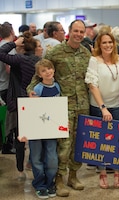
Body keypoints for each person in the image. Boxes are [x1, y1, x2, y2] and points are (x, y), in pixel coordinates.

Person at [27, 20, 91, 197]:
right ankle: (59, 180)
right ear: (69, 32)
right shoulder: (55, 52)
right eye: (75, 31)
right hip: (63, 106)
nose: (78, 34)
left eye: (81, 31)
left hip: (83, 106)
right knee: (64, 145)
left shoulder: (86, 54)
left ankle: (73, 176)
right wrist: (31, 91)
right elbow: (39, 73)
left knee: (79, 144)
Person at [85, 30, 119, 189]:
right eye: (104, 42)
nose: (107, 45)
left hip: (117, 106)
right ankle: (103, 173)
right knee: (101, 142)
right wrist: (103, 108)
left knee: (116, 142)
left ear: (114, 44)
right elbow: (92, 85)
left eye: (110, 42)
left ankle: (117, 172)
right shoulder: (94, 61)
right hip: (99, 107)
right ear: (99, 44)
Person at [0, 31, 43, 181]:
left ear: (22, 47)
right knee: (37, 136)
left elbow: (0, 52)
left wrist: (14, 43)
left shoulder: (19, 59)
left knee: (20, 138)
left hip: (20, 103)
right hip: (36, 101)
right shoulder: (39, 61)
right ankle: (33, 164)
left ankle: (20, 169)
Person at [28, 58, 60, 199]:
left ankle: (50, 182)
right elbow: (33, 110)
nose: (48, 72)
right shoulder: (37, 89)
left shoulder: (58, 86)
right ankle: (40, 184)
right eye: (43, 70)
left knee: (52, 157)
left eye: (49, 68)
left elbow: (58, 108)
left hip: (51, 129)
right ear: (39, 74)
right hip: (36, 129)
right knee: (36, 157)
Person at [0, 22, 16, 154]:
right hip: (6, 86)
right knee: (9, 118)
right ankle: (7, 146)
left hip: (1, 85)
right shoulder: (9, 48)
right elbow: (9, 68)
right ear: (12, 32)